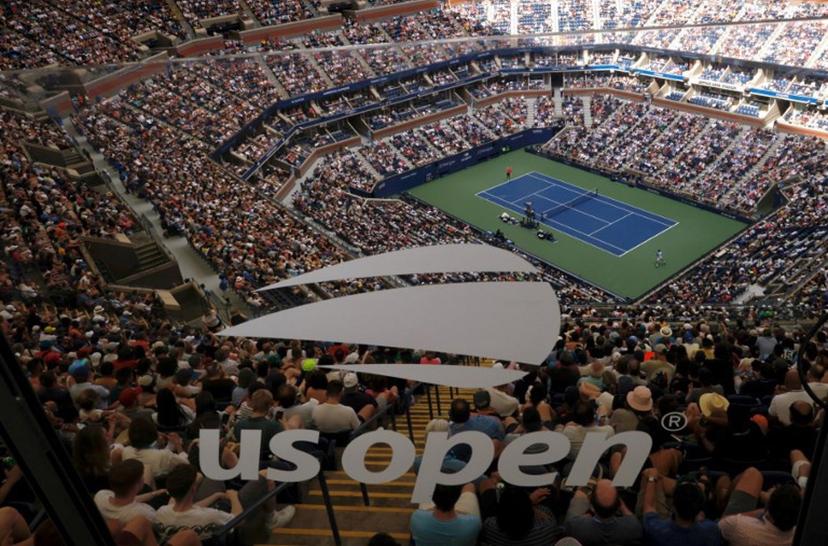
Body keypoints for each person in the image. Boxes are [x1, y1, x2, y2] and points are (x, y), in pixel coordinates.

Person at [641, 468, 721, 545]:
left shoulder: (655, 529)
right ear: (699, 510)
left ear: (673, 506)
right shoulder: (712, 531)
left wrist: (651, 478)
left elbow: (648, 506)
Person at [94, 459, 165, 525]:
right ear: (137, 485)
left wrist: (153, 494)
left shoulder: (100, 496)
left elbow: (123, 500)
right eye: (142, 477)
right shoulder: (144, 513)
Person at [410, 483, 481, 546]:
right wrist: (459, 512)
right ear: (458, 496)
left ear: (432, 496)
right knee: (469, 486)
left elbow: (425, 511)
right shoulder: (474, 523)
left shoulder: (416, 517)